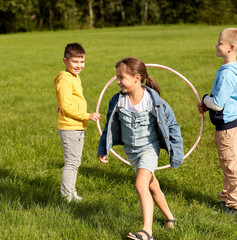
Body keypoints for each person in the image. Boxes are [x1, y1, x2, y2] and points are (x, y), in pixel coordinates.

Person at [98, 57, 184, 240]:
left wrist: (176, 152)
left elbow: (173, 126)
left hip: (149, 149)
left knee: (140, 184)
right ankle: (170, 217)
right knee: (152, 185)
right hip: (131, 151)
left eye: (121, 78)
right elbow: (109, 125)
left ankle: (147, 232)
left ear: (137, 78)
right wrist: (103, 148)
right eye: (117, 78)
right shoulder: (118, 101)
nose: (118, 81)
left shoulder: (154, 101)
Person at [197, 28, 237, 215]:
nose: (216, 45)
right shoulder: (234, 68)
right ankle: (227, 199)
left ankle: (234, 205)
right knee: (228, 163)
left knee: (232, 165)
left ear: (231, 48)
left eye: (220, 43)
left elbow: (218, 104)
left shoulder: (227, 74)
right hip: (231, 124)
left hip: (228, 127)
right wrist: (207, 104)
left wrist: (205, 100)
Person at [54, 43, 100, 203]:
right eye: (75, 62)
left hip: (77, 126)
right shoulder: (65, 80)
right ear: (65, 61)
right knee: (72, 163)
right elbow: (66, 106)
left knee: (75, 162)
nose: (79, 66)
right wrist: (87, 116)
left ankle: (71, 191)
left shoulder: (74, 77)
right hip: (70, 128)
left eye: (82, 62)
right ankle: (66, 195)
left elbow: (65, 102)